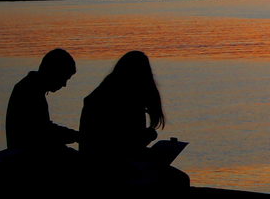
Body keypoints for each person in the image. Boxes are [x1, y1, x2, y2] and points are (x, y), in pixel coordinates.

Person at [79, 50, 188, 187]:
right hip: (109, 167)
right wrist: (146, 137)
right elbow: (121, 146)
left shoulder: (105, 94)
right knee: (180, 180)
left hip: (107, 162)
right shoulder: (122, 99)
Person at [5, 47, 79, 150]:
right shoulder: (30, 91)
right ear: (54, 72)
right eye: (64, 78)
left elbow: (44, 130)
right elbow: (43, 132)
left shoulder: (31, 87)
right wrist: (75, 136)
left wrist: (74, 136)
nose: (64, 84)